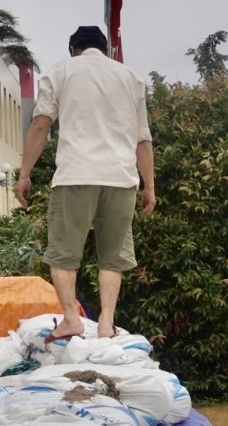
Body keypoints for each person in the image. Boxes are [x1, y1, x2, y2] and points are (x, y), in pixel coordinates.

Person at [16, 24, 155, 339]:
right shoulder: (131, 78)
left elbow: (40, 124)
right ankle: (106, 323)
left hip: (75, 174)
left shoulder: (61, 71)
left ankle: (71, 319)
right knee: (113, 255)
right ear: (106, 50)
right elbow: (142, 139)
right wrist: (150, 186)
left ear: (72, 49)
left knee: (64, 254)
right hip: (121, 178)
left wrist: (25, 172)